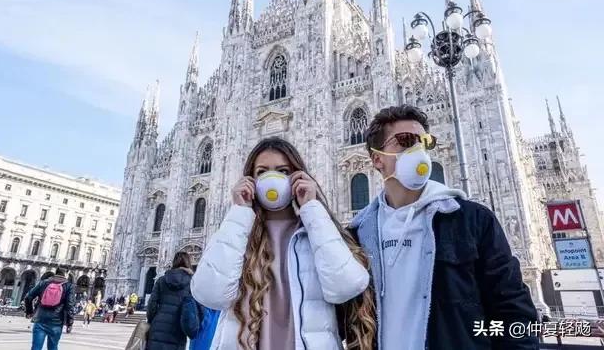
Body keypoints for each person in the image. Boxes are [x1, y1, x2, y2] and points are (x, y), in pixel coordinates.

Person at [350, 105, 539, 350]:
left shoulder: (473, 220)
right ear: (377, 159)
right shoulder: (358, 233)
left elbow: (514, 310)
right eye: (405, 141)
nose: (418, 151)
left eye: (425, 143)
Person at [191, 136, 375, 350]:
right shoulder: (239, 233)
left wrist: (312, 209)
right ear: (250, 180)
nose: (272, 178)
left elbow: (347, 286)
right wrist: (239, 213)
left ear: (298, 176)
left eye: (283, 171)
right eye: (262, 172)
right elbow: (209, 294)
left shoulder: (315, 232)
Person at [147, 251, 201, 350]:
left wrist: (152, 320)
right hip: (178, 329)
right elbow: (196, 308)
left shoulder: (161, 280)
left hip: (158, 327)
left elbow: (151, 305)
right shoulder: (193, 282)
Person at [24, 266, 75, 350]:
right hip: (56, 322)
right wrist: (70, 323)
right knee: (53, 347)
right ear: (66, 274)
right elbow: (70, 306)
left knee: (36, 348)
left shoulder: (43, 283)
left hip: (40, 319)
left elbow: (28, 297)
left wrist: (29, 312)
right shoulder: (69, 286)